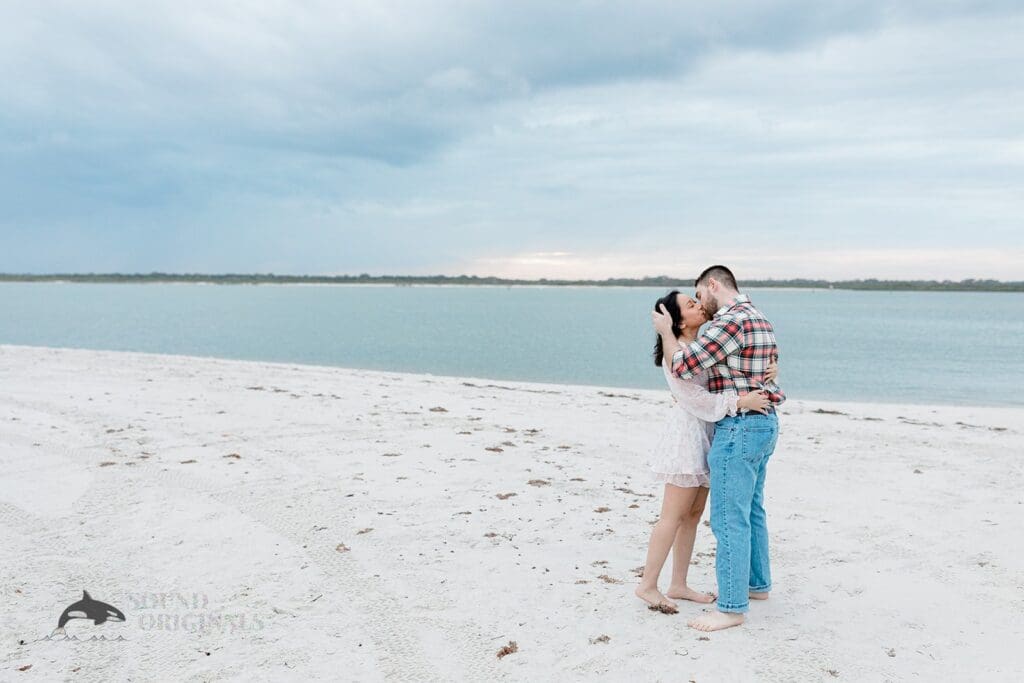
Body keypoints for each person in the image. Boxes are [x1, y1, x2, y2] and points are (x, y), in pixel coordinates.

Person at [652, 265, 785, 632]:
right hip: (766, 422)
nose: (701, 303)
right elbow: (757, 364)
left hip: (742, 427)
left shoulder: (729, 322)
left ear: (713, 285)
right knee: (752, 510)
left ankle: (730, 608)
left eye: (699, 293)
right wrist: (769, 375)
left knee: (729, 518)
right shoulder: (758, 316)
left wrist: (665, 333)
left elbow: (682, 365)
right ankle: (757, 586)